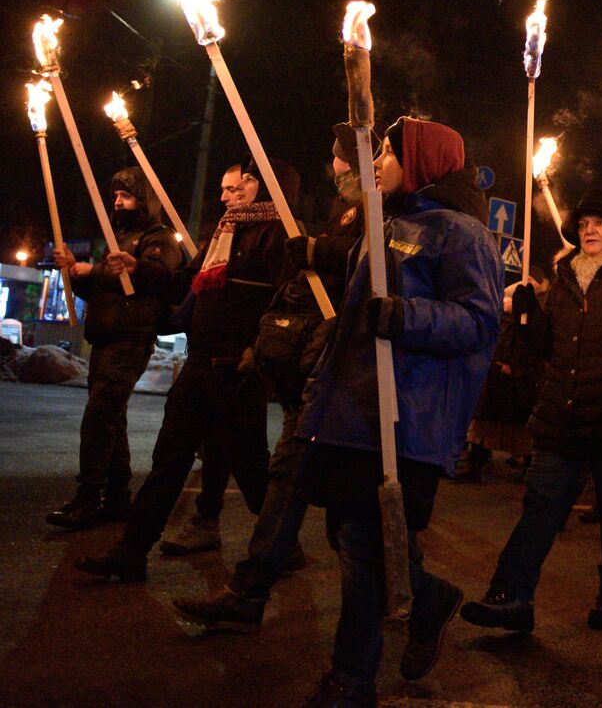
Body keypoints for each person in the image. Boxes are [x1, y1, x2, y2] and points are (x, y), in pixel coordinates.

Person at [296, 117, 502, 704]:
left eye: (387, 150)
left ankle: (351, 680)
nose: (377, 159)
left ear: (423, 160)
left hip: (405, 419)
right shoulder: (382, 224)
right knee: (350, 534)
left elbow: (480, 321)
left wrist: (407, 317)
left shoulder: (459, 233)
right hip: (353, 409)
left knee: (363, 546)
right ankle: (428, 597)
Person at [172, 125, 368, 632]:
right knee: (287, 475)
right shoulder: (338, 212)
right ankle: (250, 588)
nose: (336, 167)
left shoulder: (375, 212)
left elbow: (366, 265)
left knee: (343, 498)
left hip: (347, 369)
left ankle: (408, 589)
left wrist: (314, 252)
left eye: (342, 158)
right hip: (310, 360)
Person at [76, 158, 296, 582]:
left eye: (247, 181)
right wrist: (139, 271)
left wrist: (259, 349)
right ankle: (132, 551)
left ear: (270, 185)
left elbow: (286, 302)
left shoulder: (280, 235)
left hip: (238, 372)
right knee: (168, 458)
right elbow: (185, 286)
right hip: (198, 368)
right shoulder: (225, 231)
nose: (231, 192)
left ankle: (284, 547)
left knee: (251, 468)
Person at [462, 188, 602, 635]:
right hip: (562, 414)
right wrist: (527, 316)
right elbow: (544, 345)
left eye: (599, 222)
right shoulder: (564, 277)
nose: (589, 230)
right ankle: (510, 596)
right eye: (583, 224)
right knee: (539, 506)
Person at [47, 167, 182, 530]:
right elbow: (104, 290)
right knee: (111, 419)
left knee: (99, 417)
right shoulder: (119, 238)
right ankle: (118, 498)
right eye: (115, 196)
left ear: (144, 198)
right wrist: (76, 274)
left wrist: (117, 269)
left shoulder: (161, 237)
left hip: (131, 337)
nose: (118, 202)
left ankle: (88, 498)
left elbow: (162, 278)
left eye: (125, 195)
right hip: (106, 336)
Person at [461, 266, 552, 483]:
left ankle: (528, 470)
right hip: (496, 381)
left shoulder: (532, 318)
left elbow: (534, 350)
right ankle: (476, 467)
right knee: (483, 430)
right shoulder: (502, 321)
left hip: (519, 385)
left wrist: (516, 368)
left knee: (520, 432)